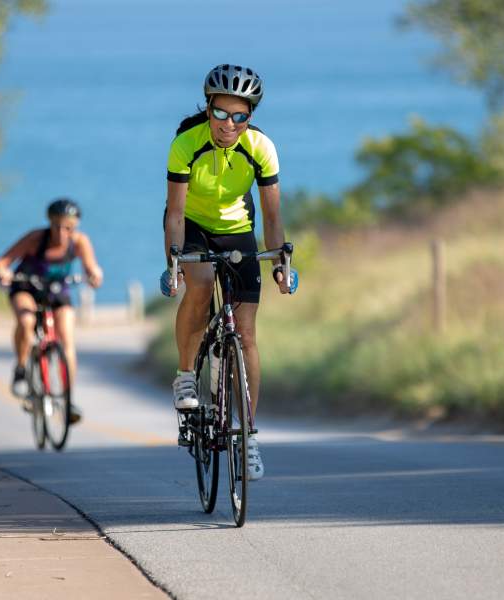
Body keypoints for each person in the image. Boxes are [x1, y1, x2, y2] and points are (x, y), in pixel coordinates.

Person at [162, 64, 296, 480]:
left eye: (240, 116)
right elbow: (176, 212)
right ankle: (186, 376)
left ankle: (248, 435)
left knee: (248, 333)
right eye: (221, 114)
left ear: (250, 117)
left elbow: (272, 215)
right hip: (194, 228)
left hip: (238, 230)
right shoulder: (186, 143)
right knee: (200, 288)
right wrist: (174, 261)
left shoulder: (260, 148)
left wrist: (280, 261)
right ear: (208, 109)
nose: (228, 125)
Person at [0, 198, 103, 423]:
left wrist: (94, 276)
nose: (62, 233)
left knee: (67, 338)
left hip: (55, 291)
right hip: (26, 287)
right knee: (26, 321)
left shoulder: (80, 242)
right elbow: (2, 262)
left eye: (69, 228)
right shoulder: (35, 239)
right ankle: (22, 368)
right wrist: (3, 273)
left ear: (76, 227)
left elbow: (93, 268)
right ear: (50, 223)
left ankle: (68, 397)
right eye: (57, 226)